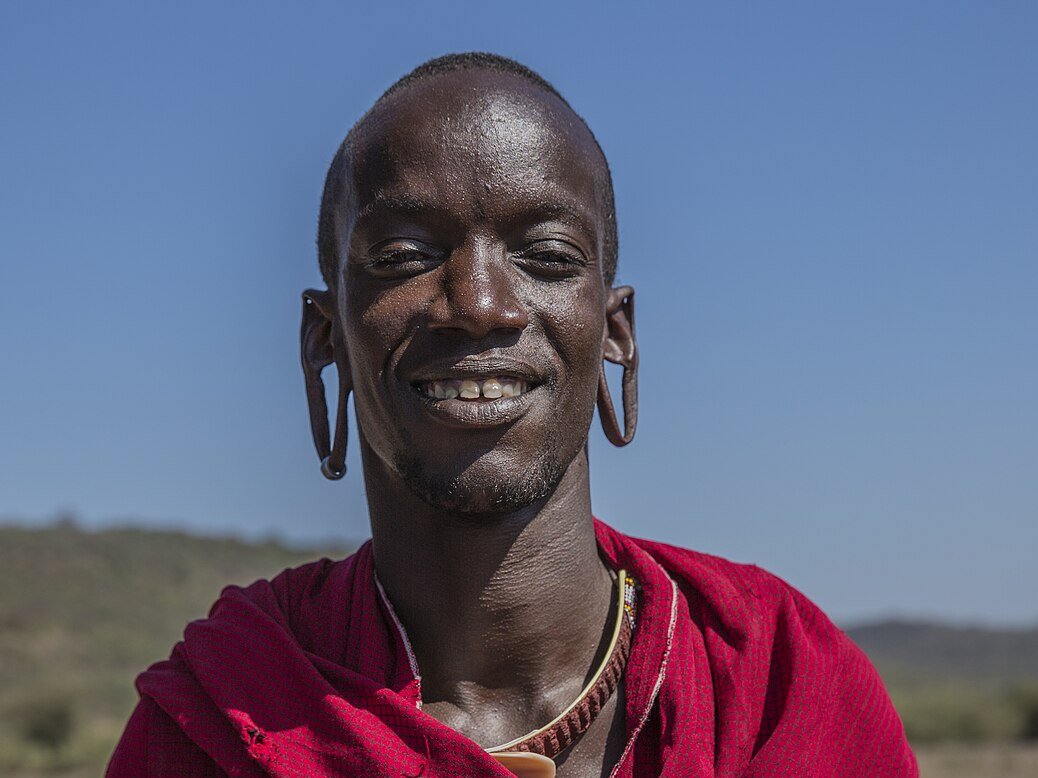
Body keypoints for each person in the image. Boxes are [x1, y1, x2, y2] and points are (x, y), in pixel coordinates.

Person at [107, 52, 917, 777]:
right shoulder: (221, 719)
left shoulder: (774, 681)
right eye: (404, 257)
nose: (482, 306)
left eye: (550, 257)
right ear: (326, 340)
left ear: (615, 332)